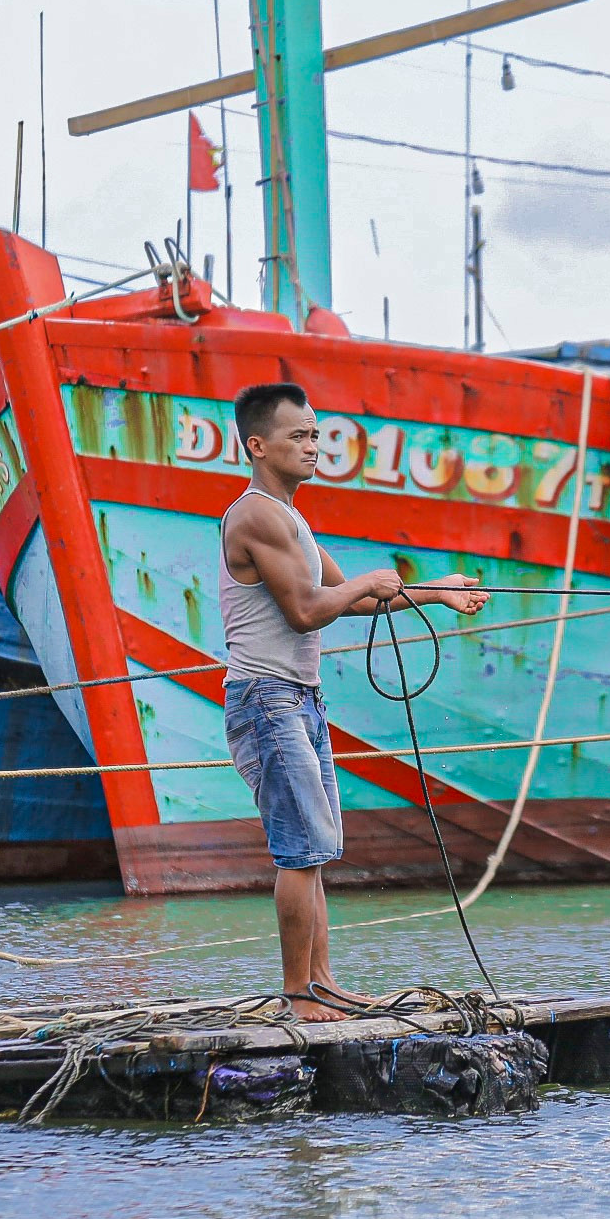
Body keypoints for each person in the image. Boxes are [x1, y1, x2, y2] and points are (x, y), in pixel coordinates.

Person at [219, 382, 490, 1022]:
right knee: (299, 847)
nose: (314, 447)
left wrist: (438, 591)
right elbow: (309, 610)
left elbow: (365, 600)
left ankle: (323, 982)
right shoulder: (255, 514)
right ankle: (298, 994)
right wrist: (368, 580)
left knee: (317, 847)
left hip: (299, 696)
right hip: (266, 697)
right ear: (258, 446)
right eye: (299, 436)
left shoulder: (292, 520)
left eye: (316, 434)